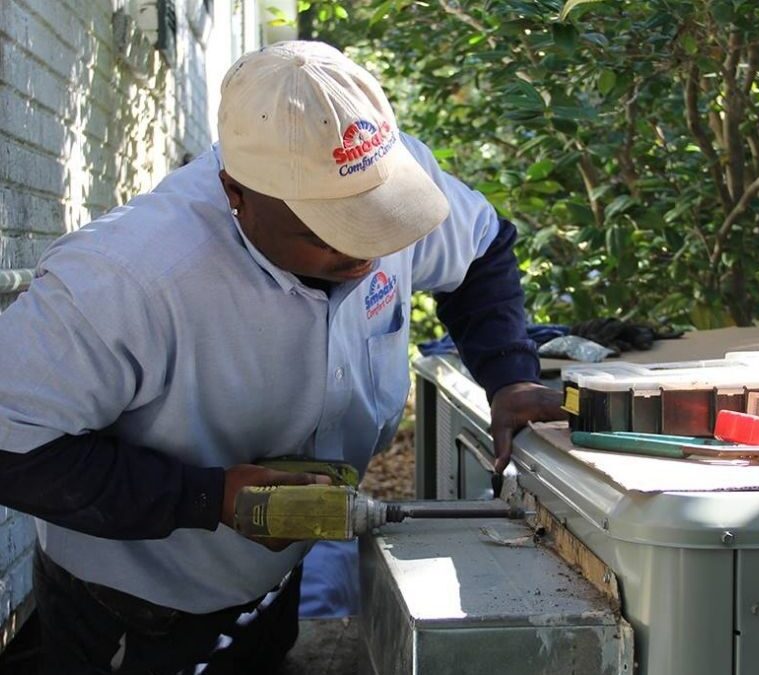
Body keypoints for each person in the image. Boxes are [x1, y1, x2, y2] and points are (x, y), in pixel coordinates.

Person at [0, 40, 563, 673]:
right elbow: (11, 447)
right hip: (136, 605)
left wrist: (510, 377)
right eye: (329, 233)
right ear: (235, 193)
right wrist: (209, 497)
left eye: (381, 222)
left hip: (272, 576)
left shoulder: (382, 170)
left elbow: (482, 250)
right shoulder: (125, 281)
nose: (366, 254)